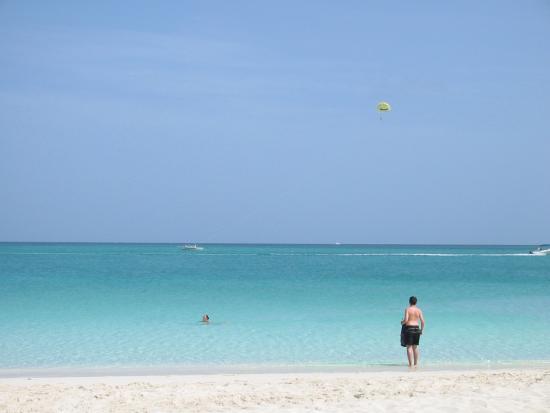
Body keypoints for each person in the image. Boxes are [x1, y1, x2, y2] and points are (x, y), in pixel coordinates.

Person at [401, 296, 425, 367]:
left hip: (409, 329)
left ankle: (410, 364)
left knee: (409, 347)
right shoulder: (419, 310)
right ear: (416, 302)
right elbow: (423, 321)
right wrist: (421, 330)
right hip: (417, 328)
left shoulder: (407, 309)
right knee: (415, 347)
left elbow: (406, 320)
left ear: (409, 302)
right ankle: (416, 364)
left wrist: (401, 322)